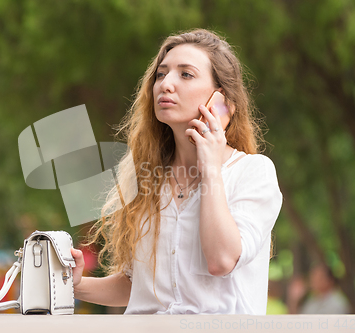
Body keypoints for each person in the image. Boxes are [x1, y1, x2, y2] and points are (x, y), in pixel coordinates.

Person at [70, 28, 282, 315]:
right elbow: (140, 287)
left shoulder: (253, 173)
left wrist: (210, 168)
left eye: (185, 74)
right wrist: (75, 285)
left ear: (222, 103)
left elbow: (221, 260)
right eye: (161, 74)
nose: (165, 84)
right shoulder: (143, 177)